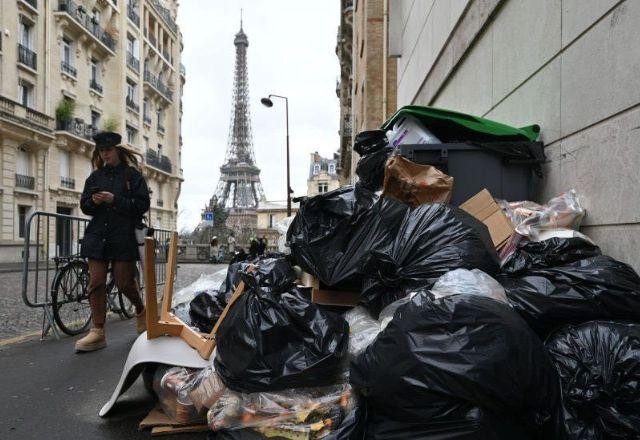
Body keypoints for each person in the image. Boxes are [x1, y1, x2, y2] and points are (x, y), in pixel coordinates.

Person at [75, 131, 151, 352]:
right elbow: (84, 205)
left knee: (124, 282)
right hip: (98, 236)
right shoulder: (95, 178)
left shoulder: (132, 176)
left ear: (117, 149)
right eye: (101, 151)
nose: (105, 154)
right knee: (96, 282)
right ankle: (97, 331)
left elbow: (141, 204)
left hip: (123, 236)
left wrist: (114, 199)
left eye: (108, 150)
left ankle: (140, 309)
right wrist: (95, 201)